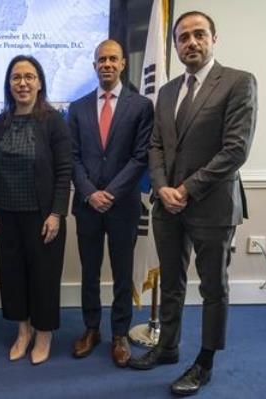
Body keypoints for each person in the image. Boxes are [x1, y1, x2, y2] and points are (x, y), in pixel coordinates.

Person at [128, 11, 257, 396]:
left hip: (212, 206)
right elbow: (156, 146)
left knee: (213, 287)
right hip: (168, 206)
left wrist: (185, 189)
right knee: (171, 282)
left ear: (214, 38)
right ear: (176, 46)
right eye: (183, 37)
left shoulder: (238, 82)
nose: (191, 42)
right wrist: (165, 188)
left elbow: (236, 150)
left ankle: (204, 361)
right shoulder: (167, 92)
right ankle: (167, 347)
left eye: (199, 34)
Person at [68, 39, 153, 367]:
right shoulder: (77, 107)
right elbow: (72, 157)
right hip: (88, 205)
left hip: (123, 205)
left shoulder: (141, 106)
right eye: (101, 59)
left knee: (121, 273)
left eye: (112, 59)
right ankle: (91, 329)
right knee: (89, 272)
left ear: (122, 65)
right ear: (94, 65)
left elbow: (140, 156)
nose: (106, 64)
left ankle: (119, 334)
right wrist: (90, 192)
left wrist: (111, 193)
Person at [0, 55, 71, 365]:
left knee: (44, 277)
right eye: (16, 77)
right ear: (9, 84)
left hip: (43, 216)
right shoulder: (0, 123)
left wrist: (57, 213)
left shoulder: (53, 121)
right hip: (7, 215)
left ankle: (44, 333)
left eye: (29, 77)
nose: (23, 83)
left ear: (40, 82)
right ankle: (23, 331)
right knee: (13, 276)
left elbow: (64, 170)